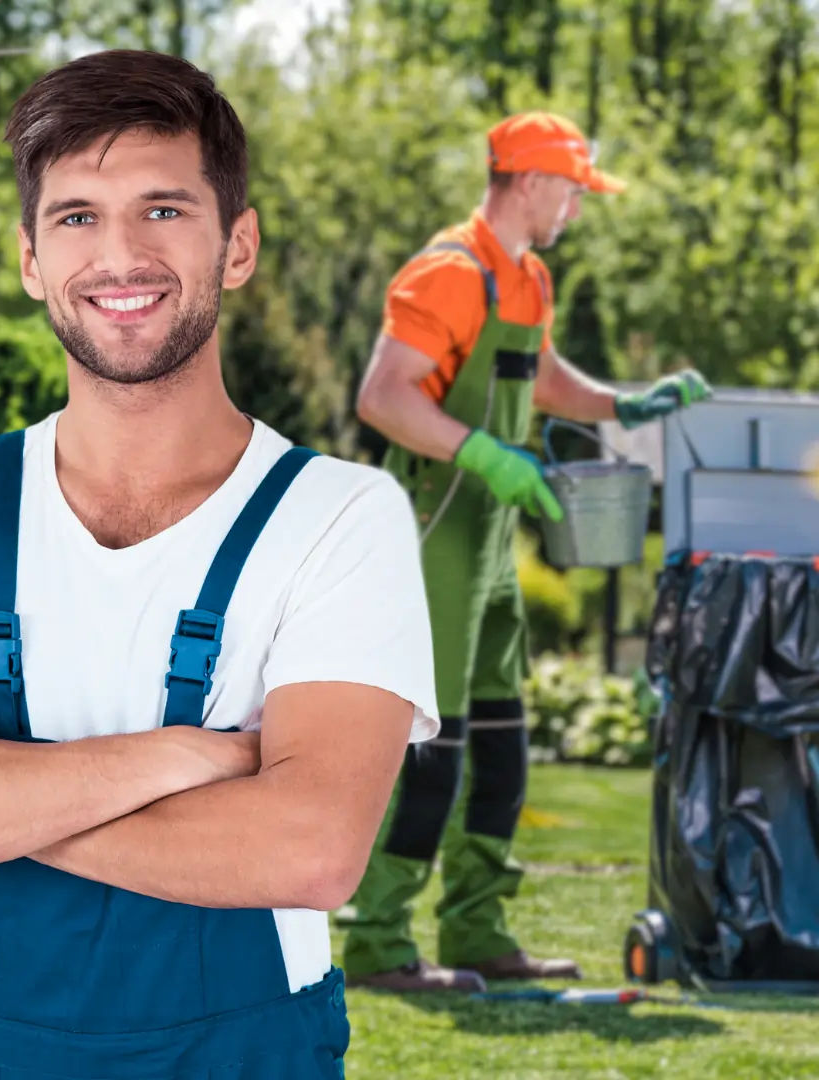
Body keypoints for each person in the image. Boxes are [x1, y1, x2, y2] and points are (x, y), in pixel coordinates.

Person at [0, 49, 442, 1078]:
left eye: (163, 210)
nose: (120, 255)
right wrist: (176, 758)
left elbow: (311, 850)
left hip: (243, 1055)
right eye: (76, 217)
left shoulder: (341, 517)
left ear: (237, 246)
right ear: (30, 258)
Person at [340, 111, 712, 992]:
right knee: (433, 737)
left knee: (502, 737)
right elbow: (384, 398)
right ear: (534, 181)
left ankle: (477, 926)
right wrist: (480, 453)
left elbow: (538, 378)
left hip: (496, 533)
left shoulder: (527, 278)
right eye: (575, 190)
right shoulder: (449, 271)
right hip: (437, 520)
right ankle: (379, 939)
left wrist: (625, 406)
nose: (578, 207)